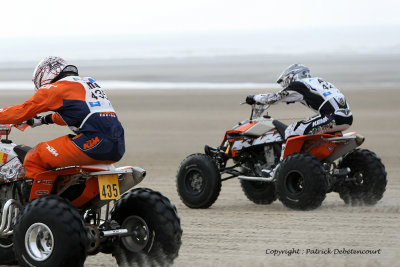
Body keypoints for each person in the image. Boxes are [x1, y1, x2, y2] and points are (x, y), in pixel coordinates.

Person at [0, 56, 125, 198]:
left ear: (45, 74)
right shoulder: (87, 83)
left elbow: (21, 112)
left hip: (93, 144)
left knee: (35, 156)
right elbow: (79, 113)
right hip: (117, 145)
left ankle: (33, 211)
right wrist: (43, 120)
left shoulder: (54, 88)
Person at [246, 64, 353, 141]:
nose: (285, 85)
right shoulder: (318, 81)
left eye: (285, 81)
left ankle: (284, 166)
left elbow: (273, 98)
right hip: (347, 119)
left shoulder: (298, 84)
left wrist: (254, 98)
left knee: (290, 131)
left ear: (292, 76)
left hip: (330, 119)